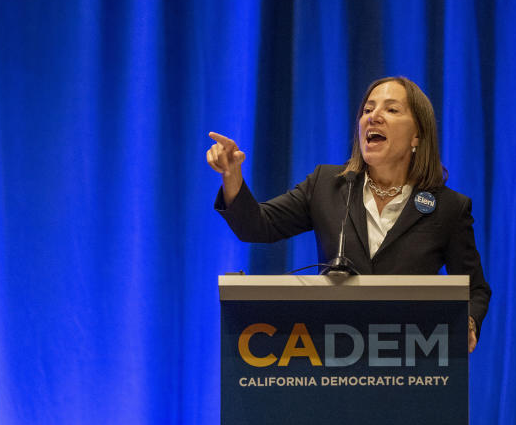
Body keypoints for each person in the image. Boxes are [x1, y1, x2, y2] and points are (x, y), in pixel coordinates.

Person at [207, 76, 491, 351]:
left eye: (391, 109)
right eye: (368, 109)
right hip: (333, 358)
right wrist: (232, 176)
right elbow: (257, 226)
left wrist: (468, 321)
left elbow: (474, 288)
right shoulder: (326, 185)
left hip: (411, 362)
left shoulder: (448, 207)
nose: (374, 116)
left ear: (417, 135)